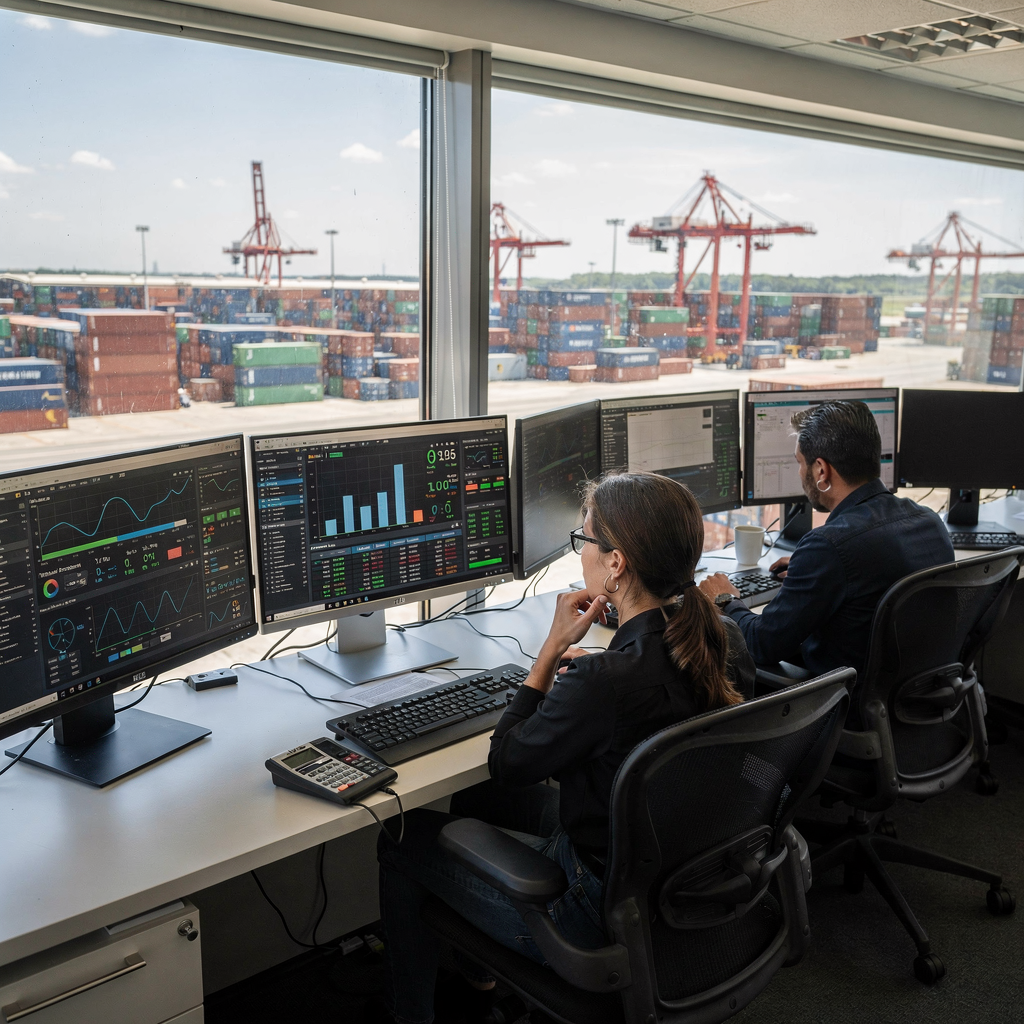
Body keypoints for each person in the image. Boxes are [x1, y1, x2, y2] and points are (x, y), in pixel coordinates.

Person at [374, 472, 755, 1024]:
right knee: (476, 805)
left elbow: (506, 762)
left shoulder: (604, 682)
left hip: (590, 910)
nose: (582, 556)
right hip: (677, 875)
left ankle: (408, 1015)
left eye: (586, 542)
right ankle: (483, 972)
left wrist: (551, 650)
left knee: (399, 840)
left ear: (616, 564)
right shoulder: (725, 639)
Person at [700, 399, 955, 681]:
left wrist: (727, 599)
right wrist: (810, 571)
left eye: (800, 463)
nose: (799, 473)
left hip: (846, 707)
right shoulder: (929, 522)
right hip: (919, 694)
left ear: (821, 471)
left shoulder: (829, 546)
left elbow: (762, 645)